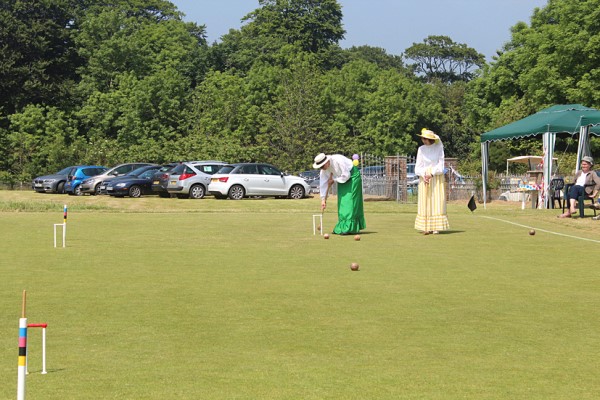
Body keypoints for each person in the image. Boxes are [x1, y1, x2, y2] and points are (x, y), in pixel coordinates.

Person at [313, 153, 366, 235]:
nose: (322, 168)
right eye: (320, 167)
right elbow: (323, 184)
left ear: (326, 162)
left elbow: (346, 175)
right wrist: (323, 199)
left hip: (352, 177)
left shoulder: (338, 160)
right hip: (341, 180)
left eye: (322, 166)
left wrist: (334, 180)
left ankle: (350, 228)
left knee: (351, 202)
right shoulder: (323, 170)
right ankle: (342, 227)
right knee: (342, 203)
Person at [414, 128, 449, 234]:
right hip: (424, 177)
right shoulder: (421, 149)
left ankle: (436, 227)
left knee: (436, 199)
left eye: (426, 139)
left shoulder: (439, 148)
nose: (424, 141)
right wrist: (424, 174)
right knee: (426, 200)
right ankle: (426, 226)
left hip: (436, 177)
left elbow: (441, 165)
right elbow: (418, 167)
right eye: (423, 138)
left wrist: (432, 173)